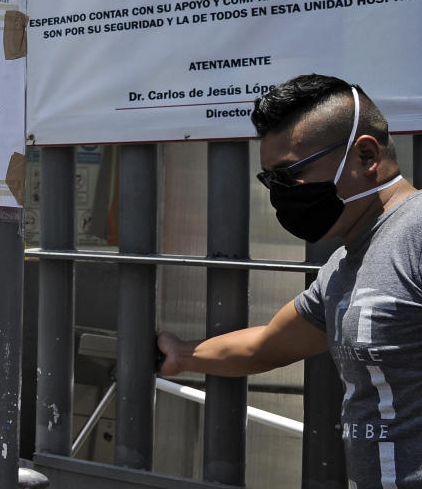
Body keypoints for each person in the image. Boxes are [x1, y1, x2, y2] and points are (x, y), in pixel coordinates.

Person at [157, 74, 421, 488]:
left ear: (366, 155)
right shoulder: (341, 270)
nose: (280, 193)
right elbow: (267, 346)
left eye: (289, 174)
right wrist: (181, 355)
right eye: (270, 180)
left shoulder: (418, 233)